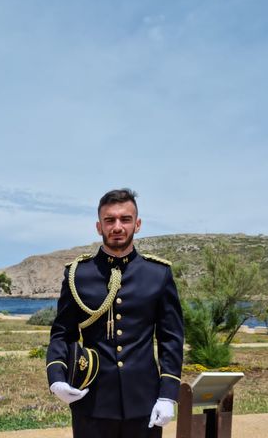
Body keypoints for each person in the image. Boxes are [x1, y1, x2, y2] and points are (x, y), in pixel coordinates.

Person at [46, 188, 184, 438]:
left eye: (125, 219)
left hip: (145, 402)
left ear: (137, 224)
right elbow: (62, 333)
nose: (117, 226)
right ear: (99, 226)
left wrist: (168, 394)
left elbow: (170, 338)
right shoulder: (78, 274)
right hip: (91, 400)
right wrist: (56, 377)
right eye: (109, 220)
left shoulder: (158, 274)